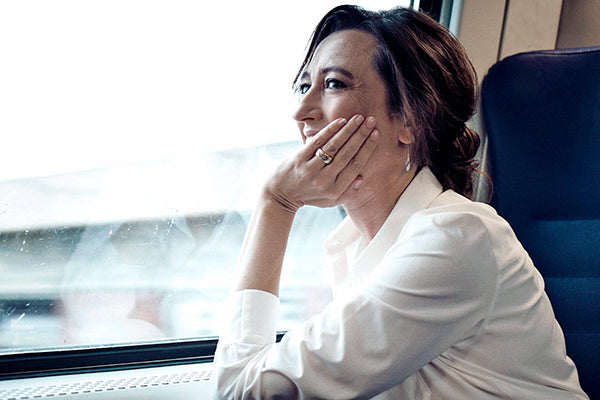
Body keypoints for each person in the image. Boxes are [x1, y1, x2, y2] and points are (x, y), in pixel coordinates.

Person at [214, 5, 589, 399]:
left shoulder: (458, 237)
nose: (301, 112)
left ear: (410, 119)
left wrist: (276, 203)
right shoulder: (353, 247)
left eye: (335, 84)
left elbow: (243, 391)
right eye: (304, 86)